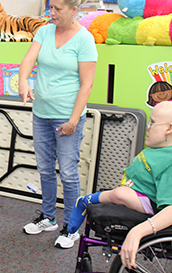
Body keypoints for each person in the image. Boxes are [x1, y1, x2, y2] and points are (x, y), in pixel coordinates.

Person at [18, 0, 98, 248]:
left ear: (74, 10)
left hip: (67, 116)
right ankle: (48, 217)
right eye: (50, 6)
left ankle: (72, 227)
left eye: (57, 8)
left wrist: (74, 120)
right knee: (44, 169)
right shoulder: (44, 31)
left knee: (69, 172)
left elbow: (87, 84)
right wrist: (23, 81)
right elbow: (28, 60)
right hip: (41, 112)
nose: (51, 12)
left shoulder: (84, 39)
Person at [67, 101, 172, 269]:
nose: (147, 127)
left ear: (169, 129)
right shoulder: (161, 148)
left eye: (152, 123)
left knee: (120, 194)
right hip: (142, 190)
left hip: (153, 203)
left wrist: (139, 231)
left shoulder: (170, 162)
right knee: (120, 193)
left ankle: (85, 201)